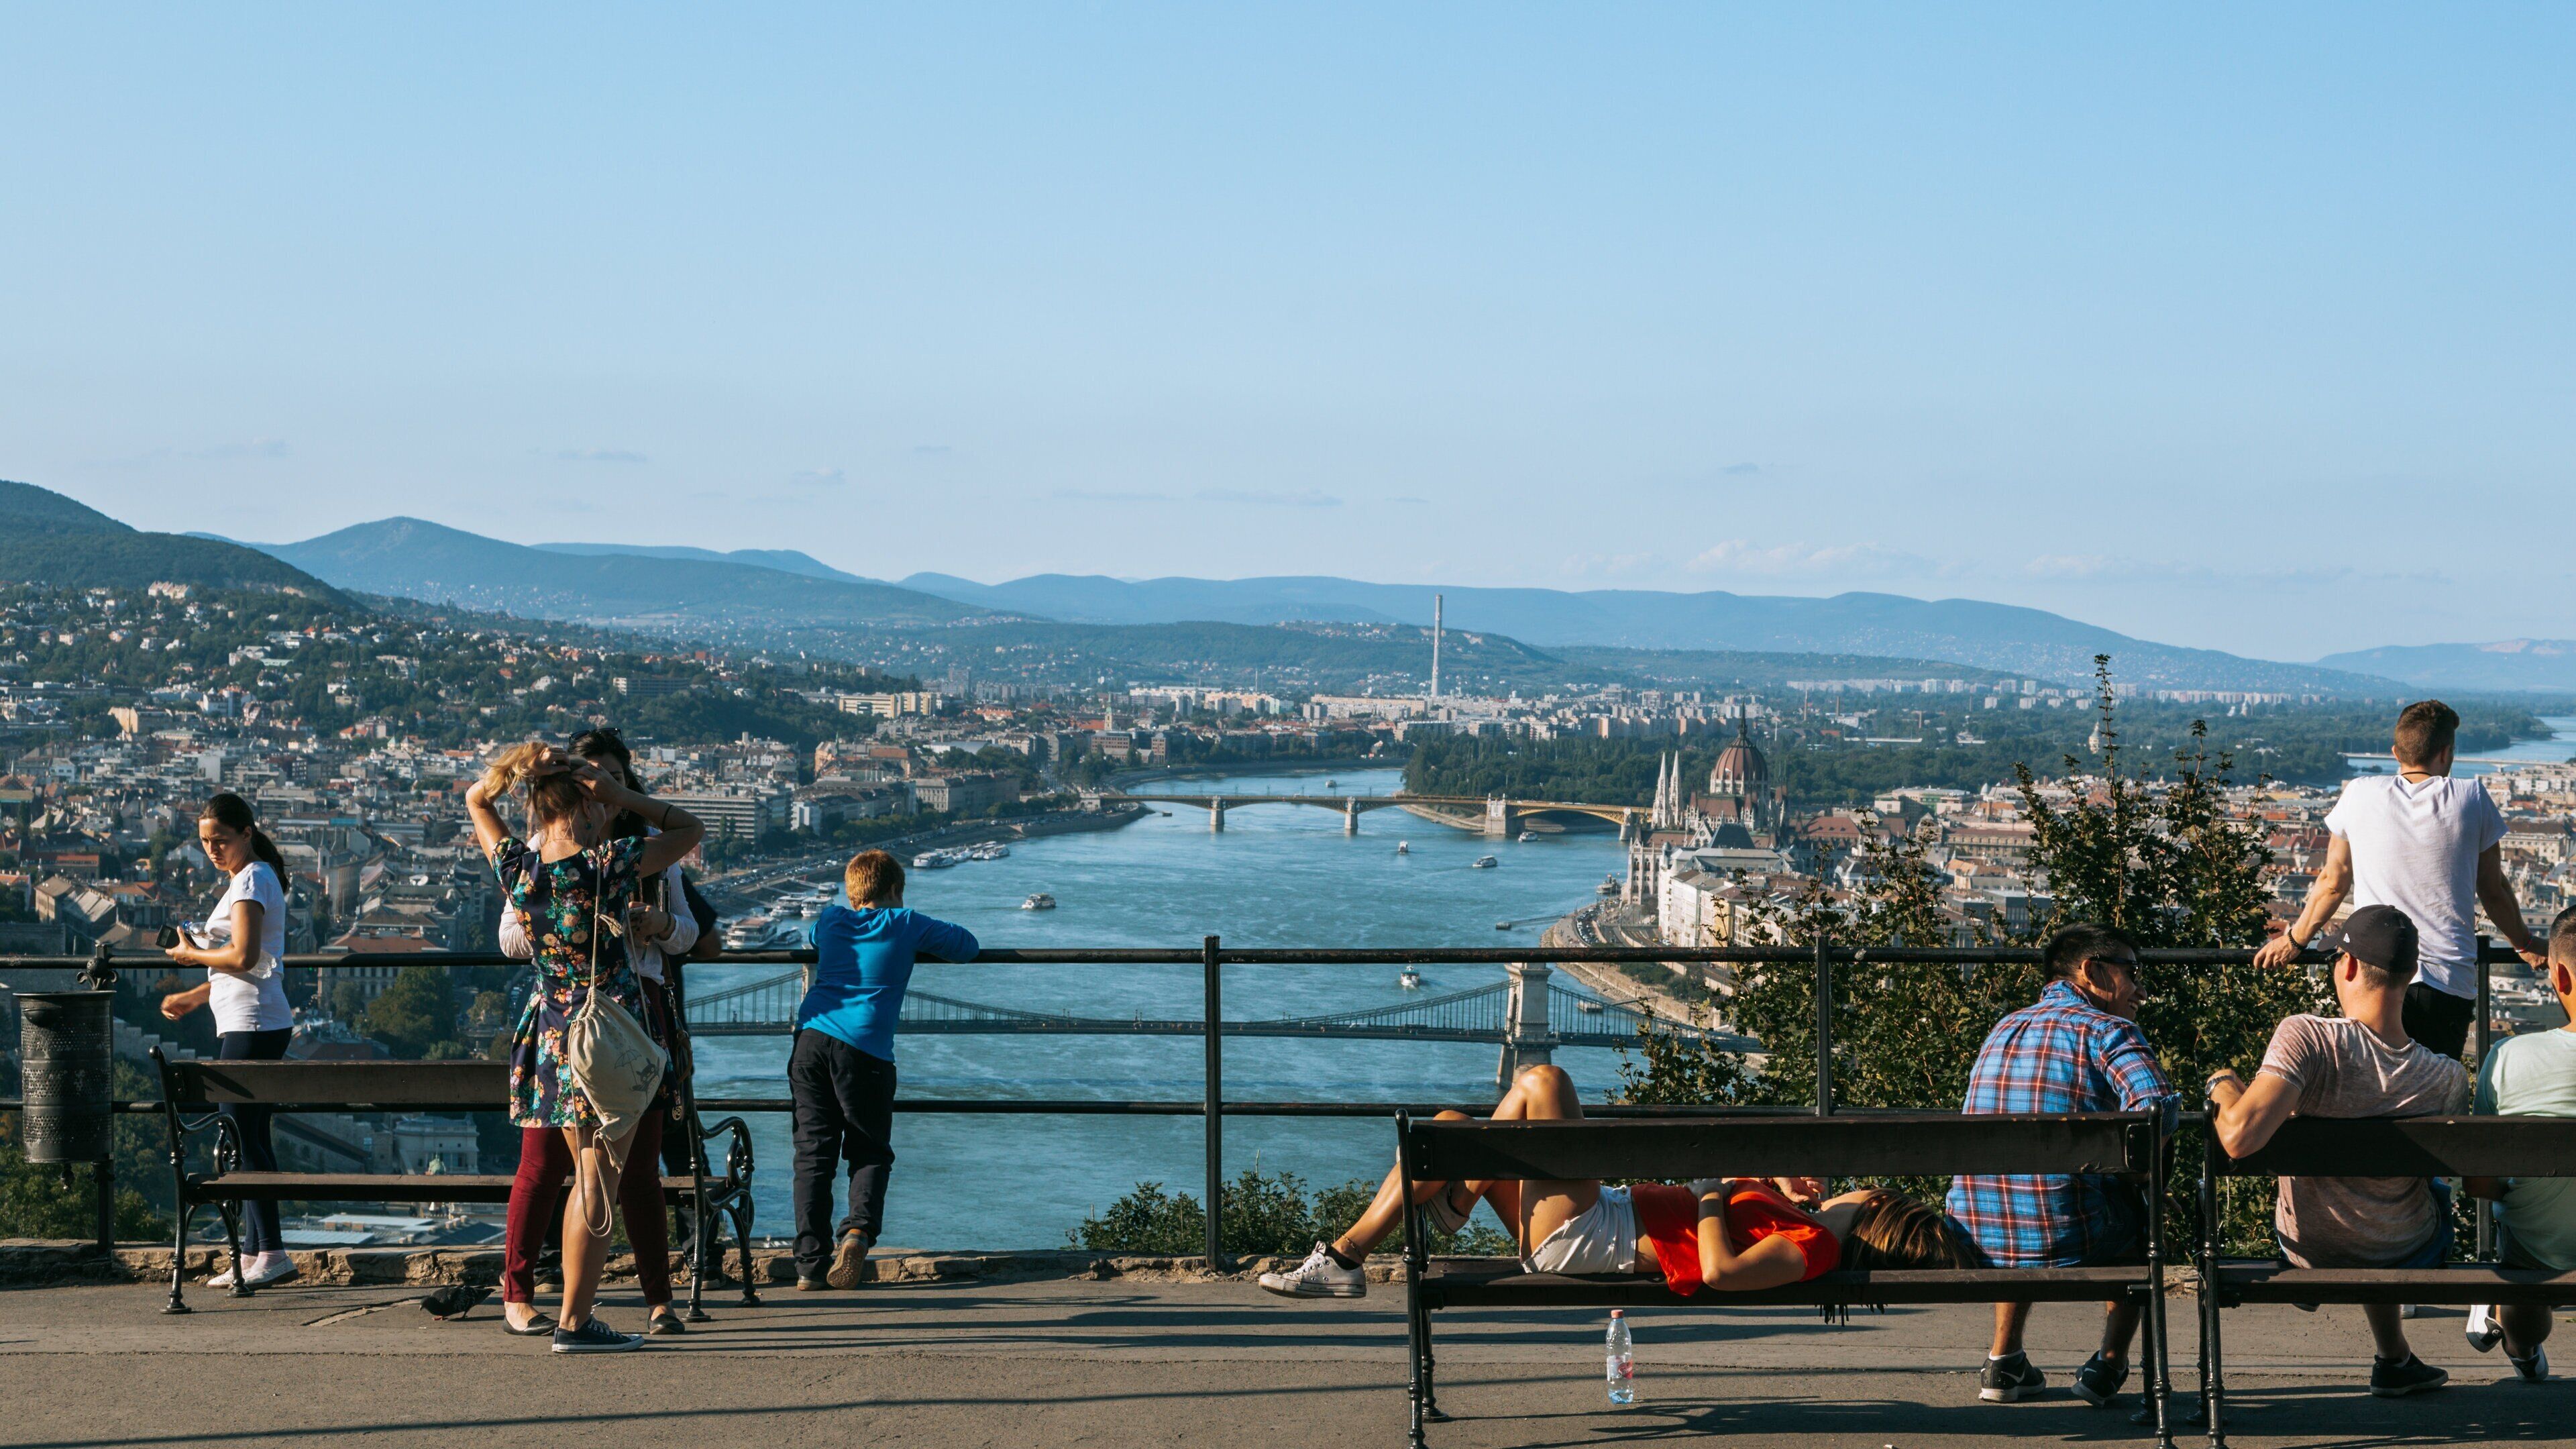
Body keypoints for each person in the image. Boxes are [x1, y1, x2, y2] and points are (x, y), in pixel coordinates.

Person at [1256, 1062, 1978, 1301]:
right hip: (1603, 1215)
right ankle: (1346, 1259)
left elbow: (1721, 1270)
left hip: (1595, 1235)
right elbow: (1735, 1221)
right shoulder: (1804, 1220)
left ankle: (1445, 1206)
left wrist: (1710, 1187)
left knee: (1544, 1080)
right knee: (1448, 1126)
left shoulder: (1815, 1248)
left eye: (1863, 1187)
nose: (1848, 1186)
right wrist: (1764, 1186)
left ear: (1878, 1205)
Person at [466, 741, 703, 1354]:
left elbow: (475, 798)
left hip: (552, 1034)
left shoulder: (519, 869)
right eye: (592, 805)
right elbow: (690, 827)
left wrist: (519, 765)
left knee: (584, 1177)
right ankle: (574, 1322)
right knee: (599, 1180)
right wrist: (619, 794)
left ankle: (574, 1316)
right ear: (580, 809)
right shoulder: (612, 863)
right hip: (611, 1034)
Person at [2208, 904, 2471, 1399]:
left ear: (2347, 966)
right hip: (2409, 1251)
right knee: (2414, 1193)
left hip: (2310, 1249)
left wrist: (2223, 1086)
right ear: (2410, 974)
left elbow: (2239, 1137)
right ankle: (2394, 1358)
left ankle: (2393, 1355)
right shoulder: (2446, 1077)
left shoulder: (2309, 1038)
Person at [1947, 924, 2178, 1409]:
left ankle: (2003, 1360)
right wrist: (2139, 1177)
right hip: (2070, 1233)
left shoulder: (2003, 1027)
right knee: (2138, 1220)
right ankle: (2109, 1364)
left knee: (2016, 1188)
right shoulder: (2109, 1031)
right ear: (2092, 971)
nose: (2141, 989)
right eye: (2132, 973)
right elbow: (2157, 1110)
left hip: (1976, 1231)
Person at [2255, 700, 2546, 1059]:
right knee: (2436, 1096)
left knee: (2372, 1090)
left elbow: (2333, 881)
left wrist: (2295, 941)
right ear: (2446, 752)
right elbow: (2494, 889)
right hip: (2445, 978)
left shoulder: (2359, 793)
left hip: (2372, 974)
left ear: (2396, 752)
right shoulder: (2471, 798)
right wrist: (2525, 942)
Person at [791, 849, 979, 1290]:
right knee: (869, 1149)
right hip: (866, 1048)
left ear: (853, 890)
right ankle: (857, 1231)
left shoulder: (832, 920)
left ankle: (808, 1268)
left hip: (810, 1039)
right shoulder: (906, 922)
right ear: (895, 889)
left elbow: (817, 939)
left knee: (813, 1154)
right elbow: (967, 946)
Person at [157, 793, 299, 1290]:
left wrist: (193, 955)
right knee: (250, 1135)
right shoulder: (250, 878)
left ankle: (271, 1252)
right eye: (204, 842)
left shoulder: (253, 878)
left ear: (246, 832)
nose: (212, 849)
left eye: (220, 839)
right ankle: (261, 1251)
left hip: (252, 1024)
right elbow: (253, 966)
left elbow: (242, 956)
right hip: (253, 1018)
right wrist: (196, 996)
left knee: (244, 1134)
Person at [2463, 903, 2576, 1383]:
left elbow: (2479, 1183)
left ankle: (2523, 1346)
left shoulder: (2509, 1057)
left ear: (2561, 978)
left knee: (2525, 1273)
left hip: (2535, 1248)